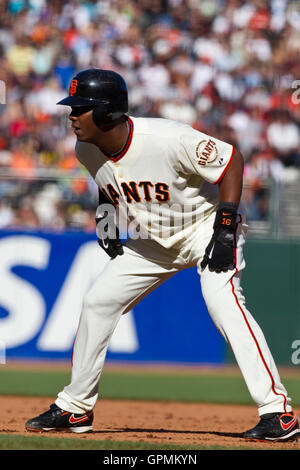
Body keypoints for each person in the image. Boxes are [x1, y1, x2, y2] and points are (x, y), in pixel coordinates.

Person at [25, 68, 300, 442]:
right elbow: (109, 185)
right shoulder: (86, 148)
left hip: (205, 228)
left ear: (107, 113)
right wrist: (106, 218)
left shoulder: (166, 138)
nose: (71, 115)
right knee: (98, 302)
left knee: (224, 304)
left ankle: (277, 413)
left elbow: (231, 161)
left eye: (80, 107)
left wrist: (224, 227)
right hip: (153, 241)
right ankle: (75, 407)